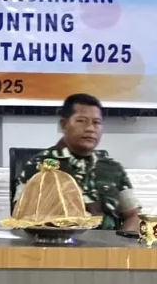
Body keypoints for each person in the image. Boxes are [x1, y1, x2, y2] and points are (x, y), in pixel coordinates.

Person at [17, 93, 140, 231]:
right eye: (81, 121)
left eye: (96, 122)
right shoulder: (40, 166)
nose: (90, 128)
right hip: (58, 241)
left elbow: (133, 215)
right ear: (64, 124)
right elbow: (22, 216)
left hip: (108, 242)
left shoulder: (113, 168)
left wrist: (121, 242)